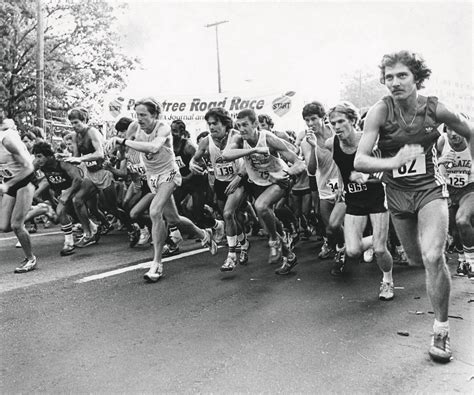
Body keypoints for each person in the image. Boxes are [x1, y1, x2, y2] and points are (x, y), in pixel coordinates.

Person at [354, 50, 474, 363]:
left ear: (416, 78)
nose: (394, 82)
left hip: (429, 190)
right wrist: (393, 161)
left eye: (402, 75)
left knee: (434, 258)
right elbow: (360, 160)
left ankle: (441, 330)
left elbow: (469, 130)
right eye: (389, 77)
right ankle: (437, 238)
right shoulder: (380, 111)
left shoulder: (435, 108)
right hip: (396, 196)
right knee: (417, 260)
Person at [105, 97, 218, 282]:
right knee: (173, 218)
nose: (139, 118)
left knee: (155, 212)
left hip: (169, 174)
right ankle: (204, 233)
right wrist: (115, 150)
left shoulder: (163, 128)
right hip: (152, 176)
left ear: (155, 115)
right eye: (137, 114)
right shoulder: (134, 127)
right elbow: (126, 147)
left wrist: (123, 142)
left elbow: (153, 146)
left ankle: (156, 264)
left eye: (144, 115)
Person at [223, 108, 306, 275]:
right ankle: (289, 256)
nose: (242, 129)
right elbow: (226, 155)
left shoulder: (268, 138)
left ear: (255, 124)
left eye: (245, 125)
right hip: (258, 183)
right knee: (267, 220)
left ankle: (275, 240)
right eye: (238, 125)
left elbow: (298, 162)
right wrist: (253, 151)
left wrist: (287, 173)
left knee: (260, 206)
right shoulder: (239, 139)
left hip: (279, 180)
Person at [326, 101, 394, 299]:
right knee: (353, 251)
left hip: (377, 197)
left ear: (353, 121)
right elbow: (341, 165)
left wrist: (366, 177)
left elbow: (387, 171)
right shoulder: (333, 143)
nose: (337, 127)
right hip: (354, 198)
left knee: (380, 249)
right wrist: (340, 184)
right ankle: (380, 237)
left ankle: (387, 281)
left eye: (341, 121)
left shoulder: (369, 141)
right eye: (333, 123)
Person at [190, 107, 249, 272]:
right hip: (220, 182)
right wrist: (193, 165)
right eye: (209, 124)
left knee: (228, 214)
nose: (211, 127)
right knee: (233, 218)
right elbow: (194, 160)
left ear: (225, 123)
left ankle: (231, 256)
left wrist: (239, 177)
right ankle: (244, 244)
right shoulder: (206, 141)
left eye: (215, 123)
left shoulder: (236, 136)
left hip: (238, 181)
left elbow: (248, 159)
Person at [32, 141, 90, 256]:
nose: (37, 159)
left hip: (79, 188)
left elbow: (78, 179)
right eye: (35, 156)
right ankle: (93, 228)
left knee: (61, 211)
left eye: (40, 156)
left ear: (49, 156)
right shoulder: (38, 164)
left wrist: (68, 192)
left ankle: (69, 243)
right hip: (62, 192)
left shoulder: (62, 163)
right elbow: (28, 174)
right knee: (72, 214)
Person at [0, 112, 37, 273]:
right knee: (4, 226)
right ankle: (41, 209)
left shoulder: (7, 140)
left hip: (25, 180)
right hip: (10, 183)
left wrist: (9, 185)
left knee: (16, 225)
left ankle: (30, 259)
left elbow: (29, 167)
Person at [437, 120, 474, 277]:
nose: (453, 134)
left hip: (469, 189)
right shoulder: (442, 141)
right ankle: (461, 259)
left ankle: (471, 261)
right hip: (449, 190)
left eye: (457, 130)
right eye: (450, 129)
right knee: (453, 230)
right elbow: (431, 166)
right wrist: (441, 161)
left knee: (462, 220)